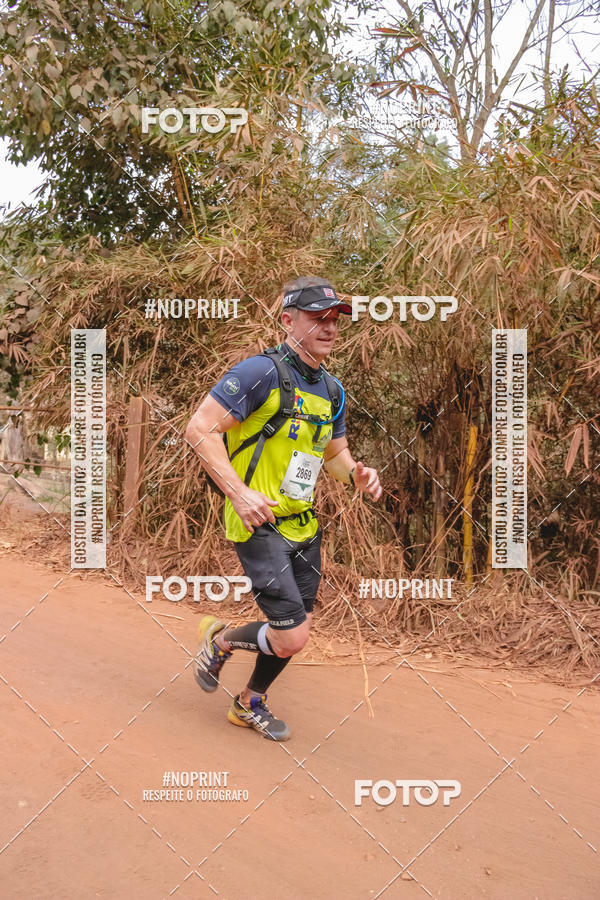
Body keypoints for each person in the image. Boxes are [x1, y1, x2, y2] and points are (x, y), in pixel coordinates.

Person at [185, 276, 382, 741]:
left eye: (335, 319)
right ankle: (219, 642)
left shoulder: (331, 389)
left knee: (290, 632)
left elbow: (333, 454)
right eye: (318, 317)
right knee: (292, 636)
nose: (330, 327)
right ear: (287, 320)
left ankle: (249, 700)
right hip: (257, 520)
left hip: (302, 523)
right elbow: (199, 429)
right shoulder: (260, 372)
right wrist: (238, 492)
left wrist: (356, 473)